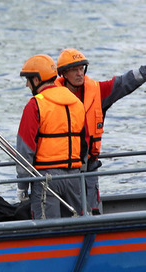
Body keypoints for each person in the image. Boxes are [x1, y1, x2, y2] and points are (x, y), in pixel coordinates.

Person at [55, 49, 146, 214]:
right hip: (62, 170)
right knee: (68, 212)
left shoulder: (98, 92)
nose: (79, 73)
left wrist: (144, 72)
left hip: (89, 167)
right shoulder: (50, 98)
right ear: (63, 73)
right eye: (74, 69)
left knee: (93, 210)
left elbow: (123, 83)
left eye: (81, 68)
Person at [16, 54, 87, 219]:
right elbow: (83, 144)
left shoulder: (35, 105)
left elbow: (24, 151)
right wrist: (80, 172)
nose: (27, 84)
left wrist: (22, 186)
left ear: (36, 79)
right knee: (76, 225)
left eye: (28, 79)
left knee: (46, 229)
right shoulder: (76, 102)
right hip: (75, 177)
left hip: (47, 180)